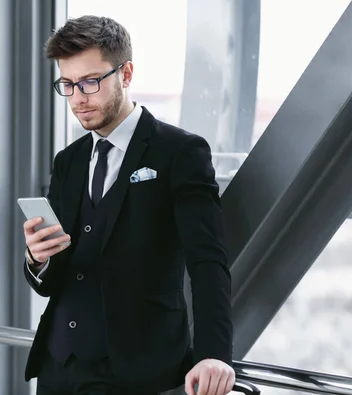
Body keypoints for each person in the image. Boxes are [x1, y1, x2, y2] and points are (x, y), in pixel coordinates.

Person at [22, 15, 234, 395]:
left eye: (90, 82)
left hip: (137, 372)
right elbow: (54, 281)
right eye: (67, 85)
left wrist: (213, 353)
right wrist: (38, 259)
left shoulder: (180, 152)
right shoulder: (67, 162)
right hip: (58, 369)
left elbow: (208, 261)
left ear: (127, 73)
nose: (78, 98)